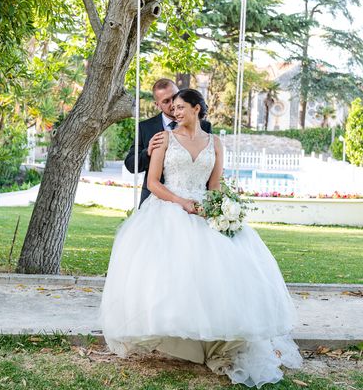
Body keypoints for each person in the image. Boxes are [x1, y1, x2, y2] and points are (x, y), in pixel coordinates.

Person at [101, 88, 302, 387]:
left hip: (205, 211)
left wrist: (221, 208)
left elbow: (215, 184)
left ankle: (217, 341)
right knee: (173, 276)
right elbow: (154, 183)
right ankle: (176, 339)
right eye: (173, 107)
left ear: (197, 108)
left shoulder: (215, 142)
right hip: (169, 208)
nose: (175, 111)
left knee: (219, 275)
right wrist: (180, 202)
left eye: (181, 107)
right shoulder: (164, 139)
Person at [124, 78, 211, 207]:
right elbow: (131, 165)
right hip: (155, 202)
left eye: (174, 97)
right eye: (166, 101)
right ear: (157, 105)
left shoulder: (204, 126)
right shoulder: (145, 127)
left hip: (195, 201)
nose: (172, 104)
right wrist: (147, 152)